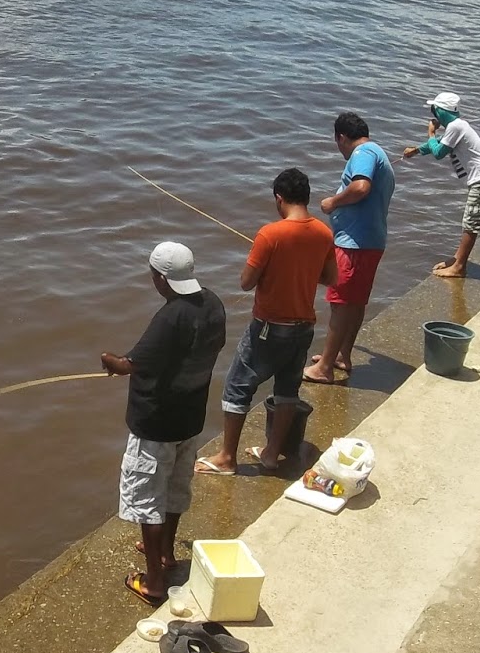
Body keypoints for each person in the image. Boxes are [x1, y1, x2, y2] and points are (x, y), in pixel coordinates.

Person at [100, 242, 227, 604]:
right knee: (173, 488)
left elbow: (131, 364)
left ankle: (154, 582)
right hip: (189, 417)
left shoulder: (171, 315)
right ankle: (166, 554)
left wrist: (109, 359)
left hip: (155, 423)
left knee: (148, 500)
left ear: (160, 277)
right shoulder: (213, 303)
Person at [197, 168, 336, 476]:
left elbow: (246, 282)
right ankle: (272, 454)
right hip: (304, 327)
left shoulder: (270, 234)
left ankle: (227, 458)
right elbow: (331, 278)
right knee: (287, 390)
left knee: (236, 387)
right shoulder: (324, 233)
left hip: (269, 328)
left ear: (279, 198)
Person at [305, 112, 395, 385]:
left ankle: (325, 369)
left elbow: (360, 187)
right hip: (370, 240)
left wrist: (333, 202)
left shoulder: (363, 152)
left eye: (337, 142)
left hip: (355, 243)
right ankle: (341, 356)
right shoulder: (379, 152)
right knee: (354, 303)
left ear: (341, 137)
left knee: (340, 304)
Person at [401, 92, 480, 279]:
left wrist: (430, 132)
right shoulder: (457, 126)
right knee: (469, 219)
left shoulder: (456, 126)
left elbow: (438, 152)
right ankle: (457, 259)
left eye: (434, 110)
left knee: (471, 221)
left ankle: (460, 267)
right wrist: (416, 151)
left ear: (440, 111)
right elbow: (441, 144)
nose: (433, 115)